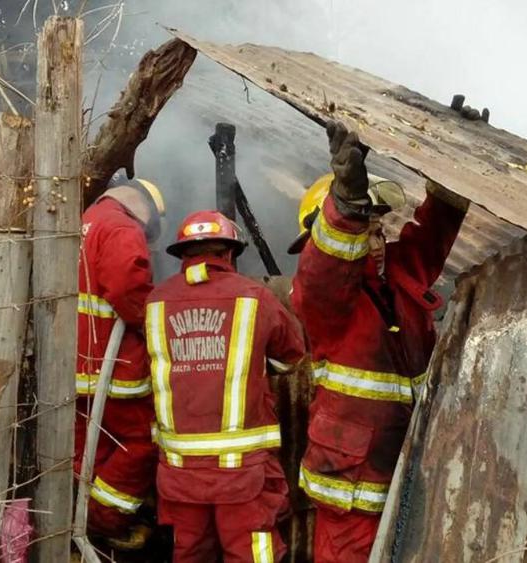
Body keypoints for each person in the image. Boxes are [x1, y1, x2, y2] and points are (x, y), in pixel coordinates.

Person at [289, 121, 468, 562]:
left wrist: (456, 164)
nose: (375, 242)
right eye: (361, 230)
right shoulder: (325, 301)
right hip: (351, 491)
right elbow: (324, 269)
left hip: (405, 472)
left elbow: (431, 237)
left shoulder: (397, 281)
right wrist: (345, 206)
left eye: (377, 229)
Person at [144, 210, 306, 563]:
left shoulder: (155, 301)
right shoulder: (254, 297)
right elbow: (292, 357)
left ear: (183, 255)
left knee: (189, 553)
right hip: (243, 472)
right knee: (251, 554)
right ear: (230, 253)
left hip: (178, 472)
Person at [74, 175, 166, 548]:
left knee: (90, 448)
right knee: (144, 439)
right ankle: (105, 520)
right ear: (144, 206)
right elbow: (129, 290)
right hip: (114, 369)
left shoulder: (85, 222)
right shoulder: (122, 228)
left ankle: (79, 517)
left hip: (78, 365)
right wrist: (157, 329)